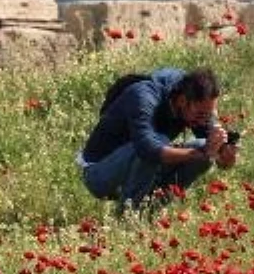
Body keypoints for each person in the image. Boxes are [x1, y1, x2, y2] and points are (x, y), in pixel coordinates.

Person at [79, 67, 238, 210]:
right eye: (201, 115)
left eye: (209, 115)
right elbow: (148, 149)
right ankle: (128, 217)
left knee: (201, 147)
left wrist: (223, 154)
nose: (205, 121)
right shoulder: (143, 96)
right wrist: (204, 153)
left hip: (141, 166)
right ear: (182, 101)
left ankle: (149, 211)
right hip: (99, 173)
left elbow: (212, 151)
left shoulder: (189, 95)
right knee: (151, 149)